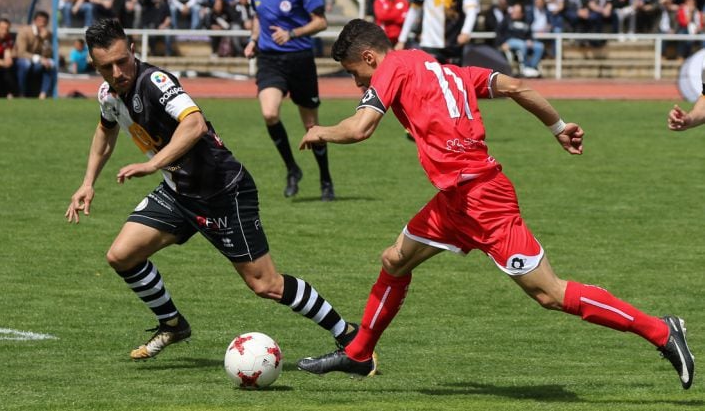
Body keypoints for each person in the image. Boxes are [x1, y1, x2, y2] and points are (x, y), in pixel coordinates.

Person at [295, 19, 695, 390]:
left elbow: (360, 127)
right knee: (394, 260)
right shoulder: (449, 71)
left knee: (549, 294)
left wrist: (320, 130)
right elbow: (517, 87)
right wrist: (558, 127)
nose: (355, 82)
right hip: (455, 200)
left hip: (484, 201)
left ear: (369, 57)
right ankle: (359, 353)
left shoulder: (391, 68)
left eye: (353, 73)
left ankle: (661, 331)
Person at [65, 18, 360, 360]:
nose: (117, 72)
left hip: (223, 191)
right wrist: (88, 183)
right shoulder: (109, 93)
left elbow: (194, 124)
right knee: (121, 256)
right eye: (106, 67)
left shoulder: (155, 82)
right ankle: (173, 324)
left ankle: (349, 336)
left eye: (121, 61)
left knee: (266, 285)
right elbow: (106, 130)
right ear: (94, 65)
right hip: (178, 191)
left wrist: (152, 163)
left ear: (133, 49)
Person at [244, 0, 334, 201]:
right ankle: (292, 168)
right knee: (270, 114)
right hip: (270, 60)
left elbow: (321, 22)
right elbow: (259, 18)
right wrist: (253, 40)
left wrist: (292, 33)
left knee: (311, 126)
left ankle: (325, 179)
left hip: (300, 60)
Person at [15, 10, 57, 99]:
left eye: (44, 21)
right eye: (39, 20)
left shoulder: (48, 34)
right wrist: (39, 59)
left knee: (50, 64)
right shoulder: (24, 32)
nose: (42, 23)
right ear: (34, 21)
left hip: (37, 63)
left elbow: (48, 55)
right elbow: (21, 53)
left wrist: (44, 40)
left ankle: (43, 94)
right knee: (26, 64)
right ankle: (21, 93)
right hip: (22, 60)